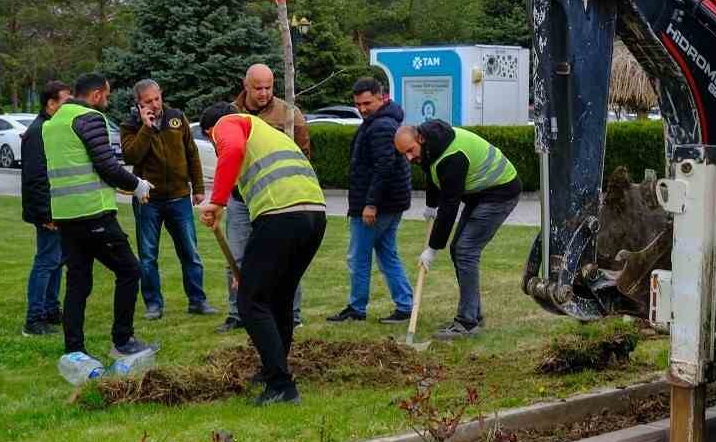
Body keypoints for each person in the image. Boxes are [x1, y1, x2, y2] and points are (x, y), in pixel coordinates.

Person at [198, 101, 327, 404]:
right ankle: (275, 367)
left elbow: (230, 151)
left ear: (209, 131)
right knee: (278, 297)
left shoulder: (229, 123)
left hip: (281, 216)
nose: (215, 146)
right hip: (313, 216)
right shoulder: (268, 133)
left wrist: (216, 202)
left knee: (251, 301)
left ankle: (281, 385)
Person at [45, 72, 155, 359]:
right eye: (106, 96)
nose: (106, 101)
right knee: (130, 270)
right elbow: (107, 165)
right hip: (93, 212)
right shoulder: (89, 118)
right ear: (95, 95)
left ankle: (74, 349)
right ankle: (123, 340)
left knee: (78, 281)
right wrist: (137, 184)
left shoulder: (53, 123)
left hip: (66, 215)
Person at [395, 119, 521, 340]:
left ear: (420, 139)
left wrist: (432, 249)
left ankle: (467, 322)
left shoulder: (452, 156)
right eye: (403, 154)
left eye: (410, 151)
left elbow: (450, 206)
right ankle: (473, 314)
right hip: (479, 192)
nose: (409, 158)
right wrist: (430, 205)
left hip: (500, 191)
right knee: (459, 250)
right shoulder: (430, 147)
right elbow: (432, 175)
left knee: (466, 250)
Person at [217, 63, 311, 333]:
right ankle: (238, 313)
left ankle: (291, 314)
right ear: (245, 86)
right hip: (240, 199)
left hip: (273, 200)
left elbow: (303, 153)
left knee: (285, 255)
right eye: (257, 88)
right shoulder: (231, 113)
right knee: (236, 256)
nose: (263, 93)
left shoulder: (289, 114)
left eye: (268, 87)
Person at [121, 78, 216, 320]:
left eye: (157, 98)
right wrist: (146, 127)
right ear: (139, 104)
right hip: (148, 199)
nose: (154, 104)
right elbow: (131, 155)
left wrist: (198, 187)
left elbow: (191, 152)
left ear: (161, 95)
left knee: (190, 251)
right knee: (148, 254)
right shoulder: (130, 125)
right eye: (148, 102)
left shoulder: (176, 117)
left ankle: (197, 301)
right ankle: (154, 305)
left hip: (179, 197)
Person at [327, 77, 414, 323]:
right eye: (358, 104)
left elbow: (384, 167)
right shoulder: (382, 121)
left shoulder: (381, 126)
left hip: (377, 204)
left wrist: (371, 204)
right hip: (391, 201)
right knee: (387, 254)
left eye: (367, 103)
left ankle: (357, 308)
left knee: (358, 257)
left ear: (381, 97)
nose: (362, 109)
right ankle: (405, 304)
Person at [20, 80, 71, 336]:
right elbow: (36, 178)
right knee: (47, 260)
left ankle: (51, 309)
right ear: (51, 103)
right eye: (65, 102)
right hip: (47, 210)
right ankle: (35, 317)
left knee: (57, 260)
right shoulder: (38, 132)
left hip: (57, 207)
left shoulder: (49, 128)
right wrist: (46, 214)